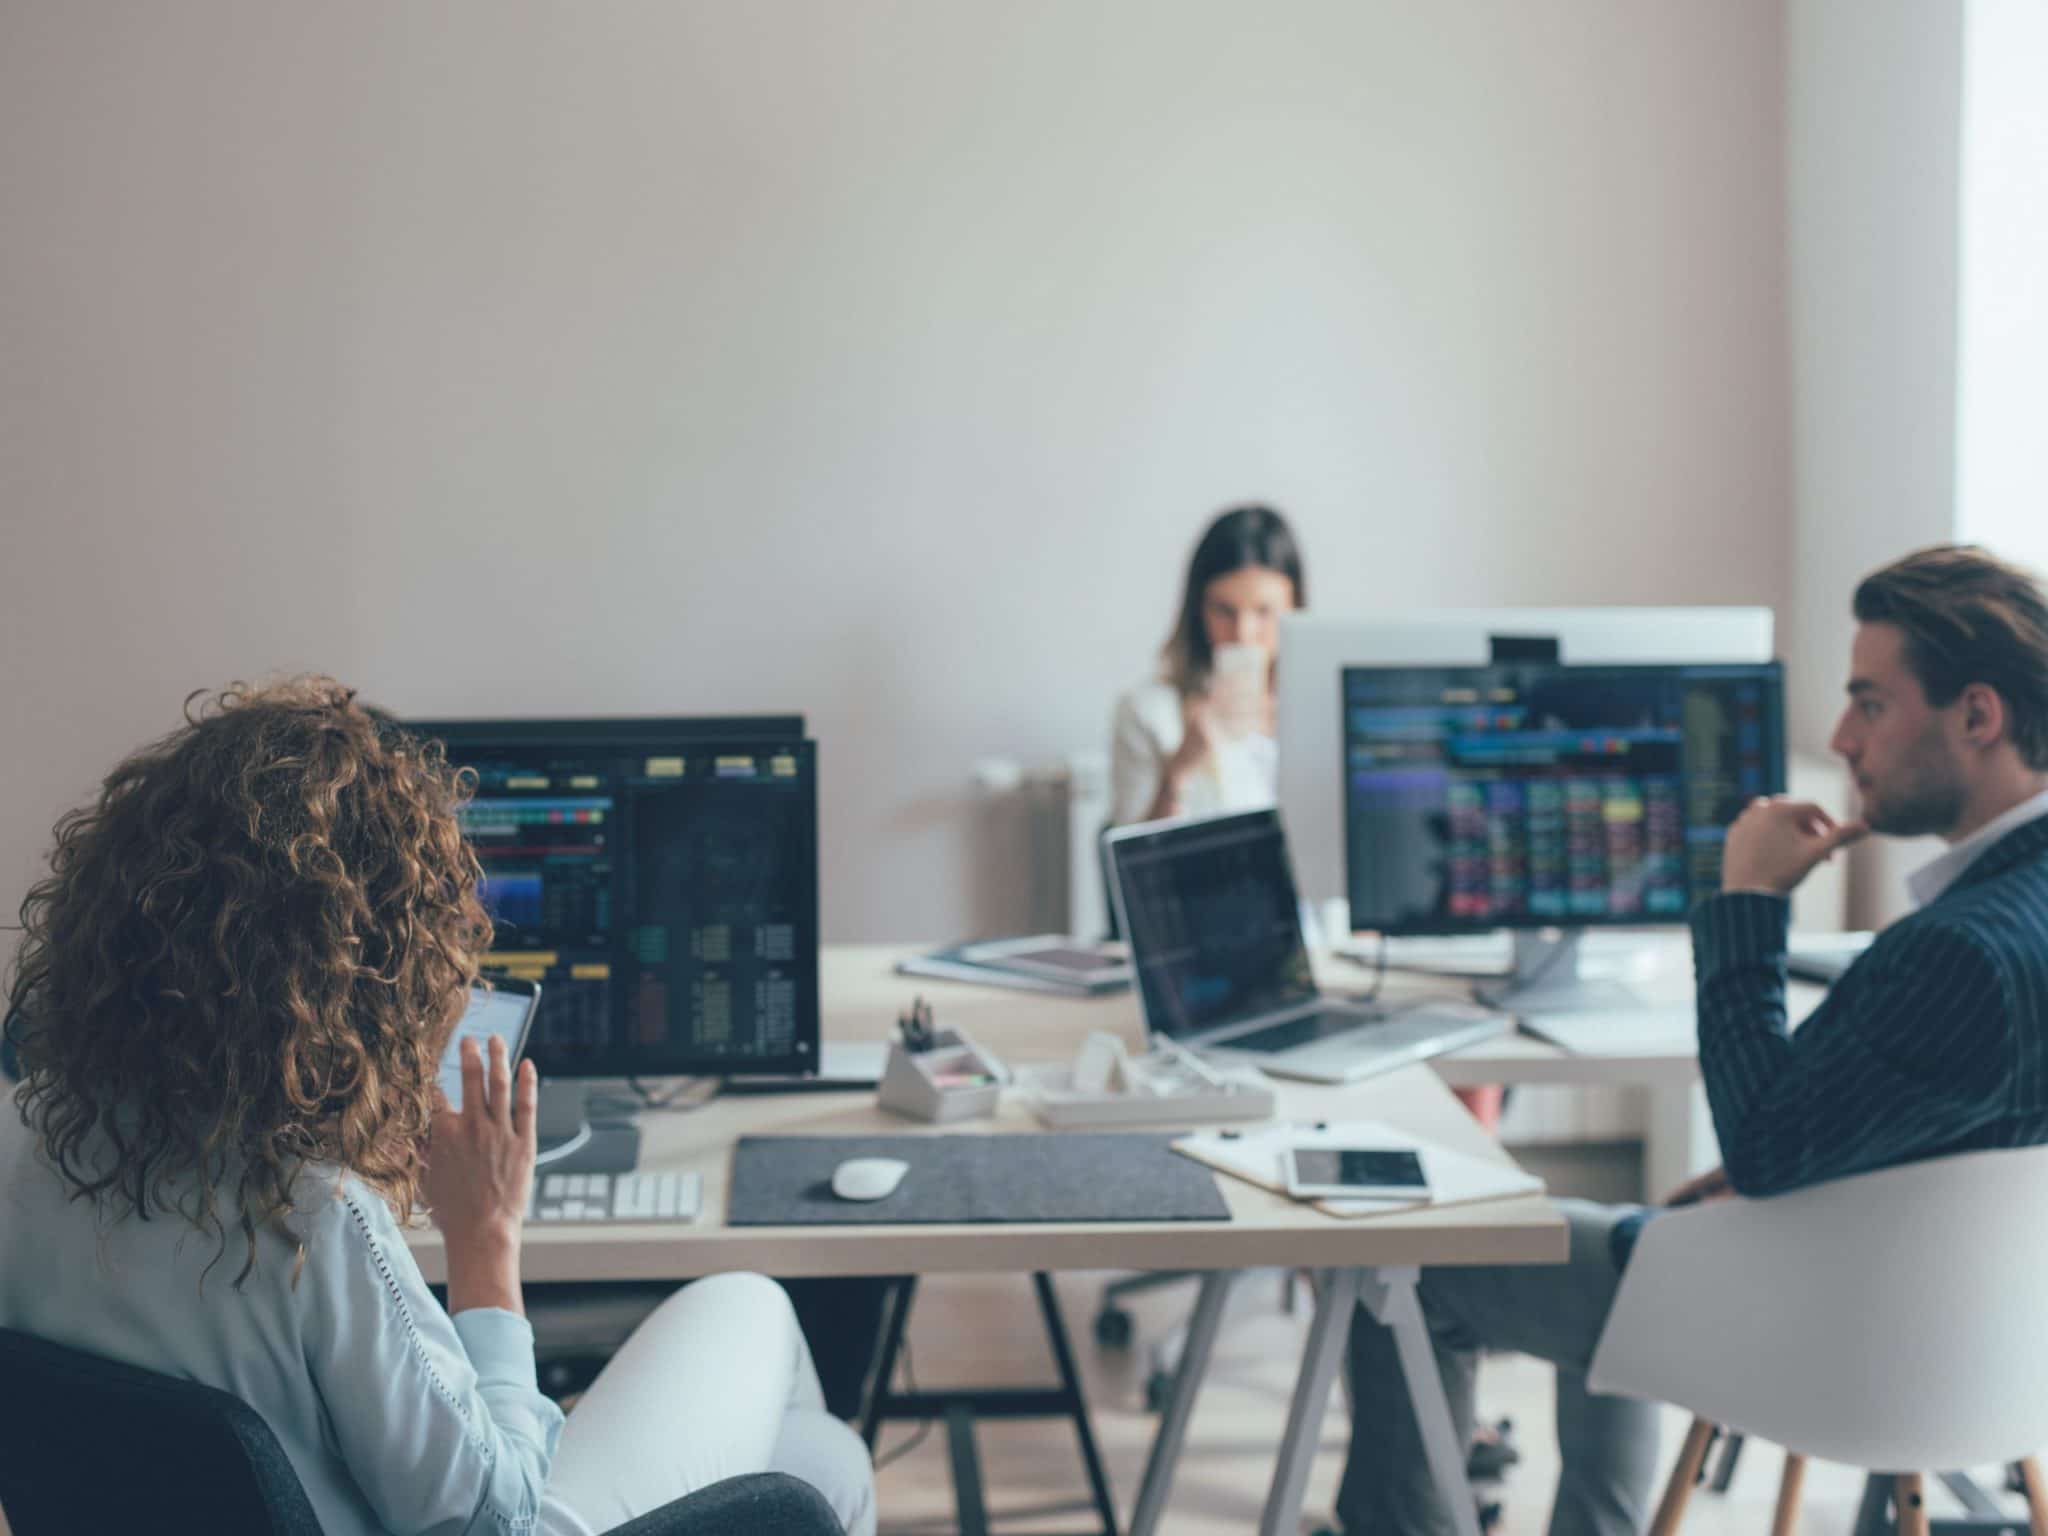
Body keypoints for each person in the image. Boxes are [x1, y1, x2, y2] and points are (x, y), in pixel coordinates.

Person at [0, 679, 875, 1536]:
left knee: (823, 1463)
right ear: (366, 974)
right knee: (750, 1304)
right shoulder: (310, 1218)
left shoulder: (20, 1137)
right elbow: (495, 1520)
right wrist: (487, 1237)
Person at [1332, 544, 2048, 1536]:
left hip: (1843, 1348)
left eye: (1869, 704)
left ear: (1977, 715)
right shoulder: (2012, 918)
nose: (1839, 737)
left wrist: (1745, 901)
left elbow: (1755, 1149)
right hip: (1998, 1353)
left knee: (1414, 1261)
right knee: (1637, 1230)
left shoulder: (1954, 952)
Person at [1110, 504, 1306, 827]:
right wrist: (1179, 770)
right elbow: (1129, 869)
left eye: (1264, 612)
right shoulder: (1147, 713)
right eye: (1225, 611)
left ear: (1294, 608)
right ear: (1198, 609)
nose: (1243, 634)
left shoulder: (1320, 710)